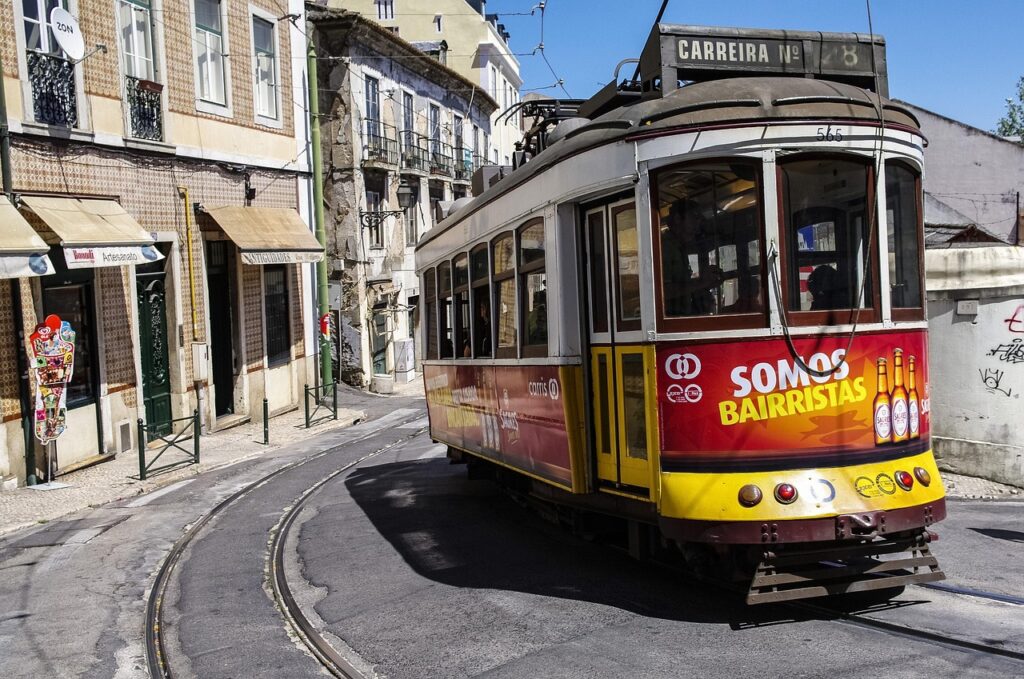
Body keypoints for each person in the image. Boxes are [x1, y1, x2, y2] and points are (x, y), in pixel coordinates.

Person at [661, 199, 722, 316]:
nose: (698, 222)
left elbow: (682, 288)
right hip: (670, 319)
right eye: (695, 216)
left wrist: (706, 283)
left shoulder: (679, 248)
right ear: (677, 218)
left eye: (699, 218)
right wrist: (701, 282)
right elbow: (661, 292)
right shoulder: (665, 247)